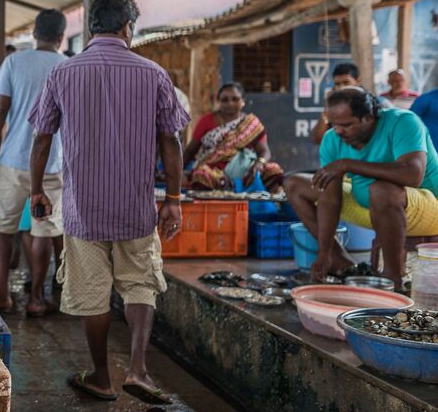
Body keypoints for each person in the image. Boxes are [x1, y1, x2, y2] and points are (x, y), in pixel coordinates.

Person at [28, 0, 187, 405]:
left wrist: (37, 189)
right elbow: (171, 141)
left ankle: (101, 377)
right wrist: (173, 198)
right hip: (136, 207)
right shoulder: (154, 73)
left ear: (91, 28)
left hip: (83, 208)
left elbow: (42, 137)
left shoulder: (63, 73)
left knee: (91, 291)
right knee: (140, 283)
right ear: (127, 28)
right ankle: (138, 370)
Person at [284, 87, 438, 289]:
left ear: (368, 117)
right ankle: (339, 261)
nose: (338, 131)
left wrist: (347, 164)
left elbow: (412, 174)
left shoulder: (403, 122)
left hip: (430, 209)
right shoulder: (333, 139)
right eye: (334, 124)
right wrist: (324, 252)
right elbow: (329, 199)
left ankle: (392, 278)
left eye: (347, 125)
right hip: (373, 207)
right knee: (295, 184)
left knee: (381, 190)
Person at [0, 9, 67, 316]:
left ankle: (3, 294)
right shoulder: (68, 66)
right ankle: (37, 299)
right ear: (61, 37)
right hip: (53, 161)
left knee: (2, 227)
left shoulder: (14, 61)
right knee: (43, 230)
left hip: (14, 158)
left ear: (35, 34)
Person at [184, 82, 284, 192]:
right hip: (215, 172)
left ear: (243, 101)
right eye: (224, 100)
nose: (230, 103)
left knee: (273, 170)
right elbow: (190, 150)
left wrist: (259, 164)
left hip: (247, 172)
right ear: (219, 101)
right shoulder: (206, 121)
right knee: (201, 175)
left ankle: (274, 200)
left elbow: (265, 151)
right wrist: (176, 173)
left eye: (235, 99)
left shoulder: (251, 124)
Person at [311, 63, 392, 144]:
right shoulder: (334, 107)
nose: (341, 87)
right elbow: (318, 139)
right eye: (337, 84)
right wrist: (328, 106)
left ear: (358, 81)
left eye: (346, 82)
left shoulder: (379, 103)